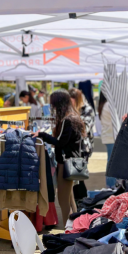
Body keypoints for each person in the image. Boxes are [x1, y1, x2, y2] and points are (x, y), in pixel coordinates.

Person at [31, 89, 85, 226]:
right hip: (73, 162)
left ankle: (67, 227)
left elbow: (59, 142)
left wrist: (42, 135)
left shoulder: (68, 120)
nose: (51, 107)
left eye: (53, 104)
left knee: (62, 198)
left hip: (66, 163)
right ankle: (75, 223)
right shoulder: (74, 117)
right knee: (69, 196)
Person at [69, 88, 96, 202]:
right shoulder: (70, 110)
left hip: (83, 148)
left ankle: (82, 201)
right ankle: (79, 201)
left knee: (79, 175)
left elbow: (84, 129)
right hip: (72, 146)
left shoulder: (87, 110)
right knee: (75, 177)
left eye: (71, 101)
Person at [97, 91, 116, 188]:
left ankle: (111, 184)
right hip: (111, 137)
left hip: (108, 137)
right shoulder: (109, 105)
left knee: (111, 161)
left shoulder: (103, 105)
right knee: (112, 162)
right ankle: (111, 185)